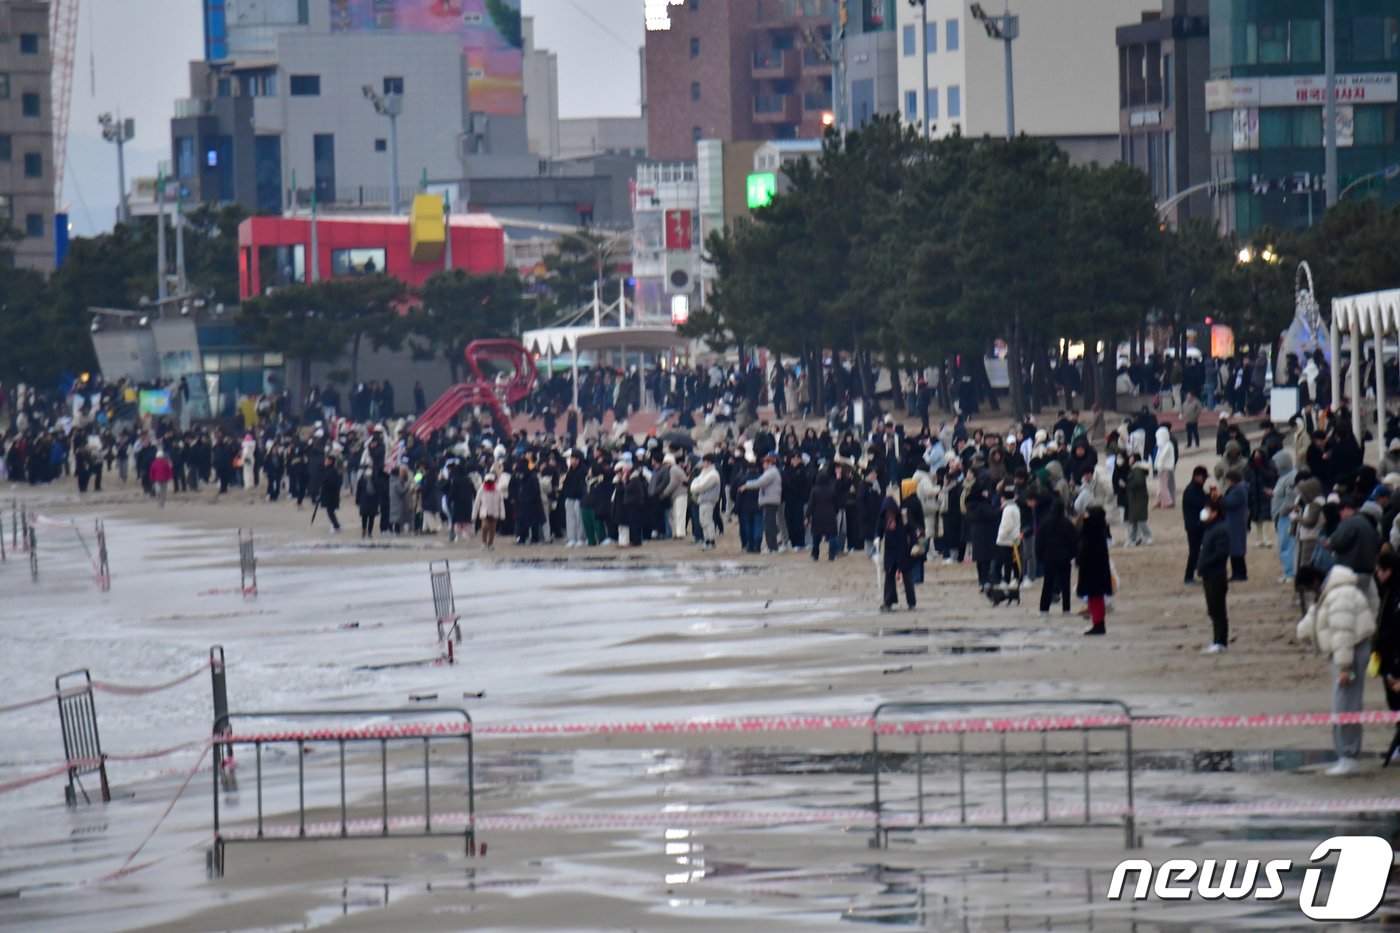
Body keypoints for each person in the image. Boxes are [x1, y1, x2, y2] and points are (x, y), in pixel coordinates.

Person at [1296, 562, 1378, 776]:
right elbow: (1314, 621)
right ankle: (1346, 755)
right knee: (1343, 703)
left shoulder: (1339, 595)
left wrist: (1344, 667)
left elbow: (1343, 634)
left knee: (1346, 706)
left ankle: (1348, 756)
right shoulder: (1330, 592)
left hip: (1349, 655)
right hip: (1347, 654)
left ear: (1314, 582)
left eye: (1307, 589)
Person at [1375, 552, 1400, 766]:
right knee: (1393, 706)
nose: (1377, 572)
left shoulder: (1395, 595)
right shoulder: (1387, 591)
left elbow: (1395, 631)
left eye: (1380, 569)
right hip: (1386, 658)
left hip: (1395, 659)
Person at [1198, 499, 1232, 653]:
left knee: (1218, 609)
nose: (1205, 513)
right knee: (1212, 609)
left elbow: (1221, 552)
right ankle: (1216, 640)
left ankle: (1221, 641)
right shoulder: (1210, 528)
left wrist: (1205, 564)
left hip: (1216, 575)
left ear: (1215, 512)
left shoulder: (1220, 529)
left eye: (1208, 510)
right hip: (1208, 575)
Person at [1036, 498, 1078, 614]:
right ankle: (1066, 609)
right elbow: (1074, 541)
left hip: (1048, 558)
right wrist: (1074, 555)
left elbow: (1039, 542)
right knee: (1065, 584)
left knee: (1048, 584)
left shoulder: (1044, 523)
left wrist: (1039, 556)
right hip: (1064, 558)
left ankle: (1044, 609)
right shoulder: (1067, 524)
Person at [878, 496, 918, 611]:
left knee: (908, 578)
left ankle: (911, 603)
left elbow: (912, 530)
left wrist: (915, 544)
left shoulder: (903, 516)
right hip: (890, 551)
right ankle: (888, 601)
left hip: (903, 550)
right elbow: (878, 531)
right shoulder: (882, 518)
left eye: (890, 510)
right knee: (889, 577)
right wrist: (877, 538)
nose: (889, 513)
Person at [1077, 506, 1112, 636]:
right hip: (1098, 569)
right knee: (1097, 598)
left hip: (1092, 570)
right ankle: (1098, 622)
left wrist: (1079, 559)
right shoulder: (1099, 530)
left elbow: (1085, 550)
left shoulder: (1091, 531)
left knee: (1095, 598)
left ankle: (1098, 624)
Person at [743, 452, 784, 553]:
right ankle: (771, 546)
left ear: (770, 463)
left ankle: (772, 547)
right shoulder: (769, 472)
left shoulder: (772, 472)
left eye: (765, 462)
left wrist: (746, 485)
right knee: (768, 524)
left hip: (770, 501)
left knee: (769, 525)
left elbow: (759, 483)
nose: (763, 464)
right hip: (768, 500)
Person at [1221, 469, 1250, 580]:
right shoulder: (1238, 489)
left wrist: (1219, 498)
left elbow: (1229, 503)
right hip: (1234, 522)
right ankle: (1238, 573)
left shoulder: (1238, 490)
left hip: (1235, 523)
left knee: (1236, 550)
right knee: (1235, 549)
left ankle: (1240, 574)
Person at [807, 467, 840, 561]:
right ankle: (832, 555)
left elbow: (811, 505)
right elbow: (836, 503)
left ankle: (815, 554)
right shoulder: (832, 490)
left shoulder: (814, 490)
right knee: (832, 536)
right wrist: (835, 511)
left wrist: (807, 517)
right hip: (830, 516)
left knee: (816, 537)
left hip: (817, 516)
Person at [690, 455, 722, 550]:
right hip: (702, 500)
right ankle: (706, 540)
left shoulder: (713, 474)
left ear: (709, 462)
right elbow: (695, 483)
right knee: (703, 521)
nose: (702, 464)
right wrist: (695, 486)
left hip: (709, 500)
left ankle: (711, 541)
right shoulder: (704, 473)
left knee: (707, 521)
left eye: (704, 462)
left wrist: (695, 486)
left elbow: (701, 486)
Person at [1124, 457, 1154, 546]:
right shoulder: (1134, 470)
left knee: (1140, 520)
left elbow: (1138, 482)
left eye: (1131, 458)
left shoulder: (1137, 470)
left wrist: (1128, 485)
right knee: (1133, 521)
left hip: (1138, 499)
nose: (1129, 460)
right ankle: (1132, 539)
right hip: (1134, 499)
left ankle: (1148, 536)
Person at [472, 474, 506, 549]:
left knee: (493, 529)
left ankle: (490, 544)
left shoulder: (498, 490)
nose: (489, 482)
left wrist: (502, 514)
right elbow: (477, 503)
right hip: (485, 512)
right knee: (484, 527)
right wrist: (474, 515)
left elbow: (501, 503)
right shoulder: (481, 490)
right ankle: (484, 543)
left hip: (495, 512)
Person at [1153, 426, 1176, 508]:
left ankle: (1168, 502)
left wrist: (1157, 468)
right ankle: (1158, 501)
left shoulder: (1166, 446)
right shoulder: (1164, 445)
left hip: (1164, 468)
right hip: (1163, 467)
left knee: (1163, 486)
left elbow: (1161, 459)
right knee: (1161, 485)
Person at [318, 455, 342, 533]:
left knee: (330, 511)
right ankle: (336, 524)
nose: (325, 462)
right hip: (328, 494)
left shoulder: (333, 471)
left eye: (327, 460)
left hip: (331, 495)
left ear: (330, 461)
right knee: (330, 511)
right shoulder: (327, 470)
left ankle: (336, 526)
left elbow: (332, 483)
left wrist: (324, 486)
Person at [354, 468, 378, 538]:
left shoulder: (374, 479)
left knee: (370, 517)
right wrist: (357, 500)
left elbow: (378, 490)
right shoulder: (361, 480)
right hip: (365, 500)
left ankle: (369, 532)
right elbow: (358, 491)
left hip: (370, 501)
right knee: (365, 517)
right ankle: (365, 531)